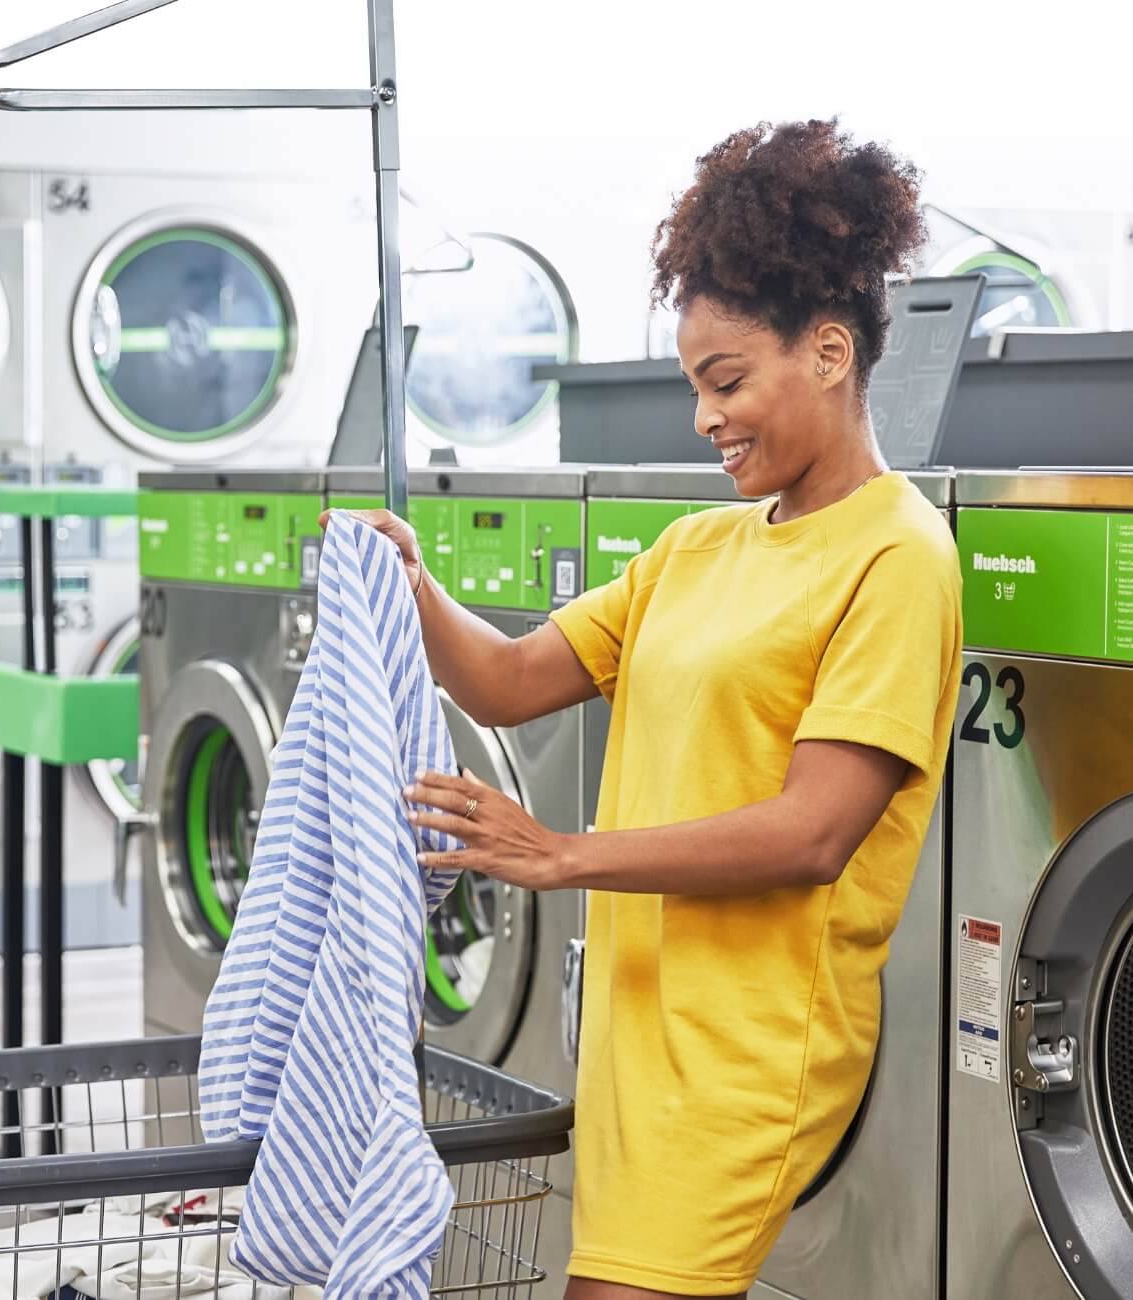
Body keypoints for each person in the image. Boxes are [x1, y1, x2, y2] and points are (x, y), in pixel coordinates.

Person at [337, 120, 962, 1300]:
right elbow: (509, 680)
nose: (704, 418)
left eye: (726, 382)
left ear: (828, 352)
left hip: (746, 1051)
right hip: (632, 1027)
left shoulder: (896, 557)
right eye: (694, 388)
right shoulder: (694, 547)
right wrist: (410, 585)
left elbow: (812, 831)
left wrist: (560, 853)